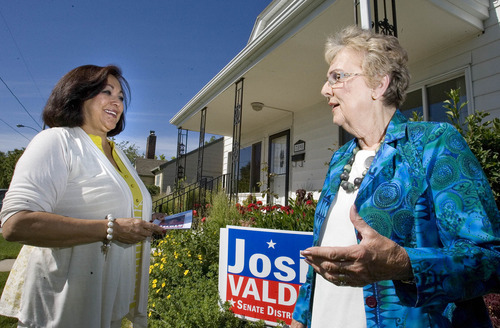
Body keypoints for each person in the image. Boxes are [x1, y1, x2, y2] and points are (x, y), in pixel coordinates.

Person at [291, 26, 500, 328]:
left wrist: (404, 265)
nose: (325, 90)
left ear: (378, 84)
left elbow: (490, 260)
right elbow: (323, 255)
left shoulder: (434, 144)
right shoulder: (340, 160)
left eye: (337, 77)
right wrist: (300, 317)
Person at [0, 65, 165, 328]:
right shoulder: (57, 141)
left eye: (121, 96)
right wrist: (110, 229)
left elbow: (107, 206)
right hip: (65, 305)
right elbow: (15, 224)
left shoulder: (117, 153)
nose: (117, 102)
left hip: (108, 302)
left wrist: (146, 219)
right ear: (78, 96)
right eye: (106, 91)